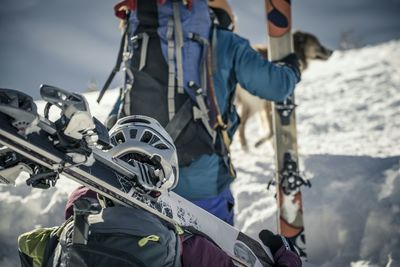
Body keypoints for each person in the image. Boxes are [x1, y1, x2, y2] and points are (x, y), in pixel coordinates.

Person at [100, 0, 301, 226]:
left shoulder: (143, 37)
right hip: (203, 188)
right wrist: (292, 68)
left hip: (140, 180)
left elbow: (121, 109)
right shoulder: (225, 41)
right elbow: (275, 86)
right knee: (210, 254)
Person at [17, 115, 301, 267]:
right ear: (166, 173)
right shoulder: (188, 248)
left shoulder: (64, 234)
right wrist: (287, 259)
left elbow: (26, 244)